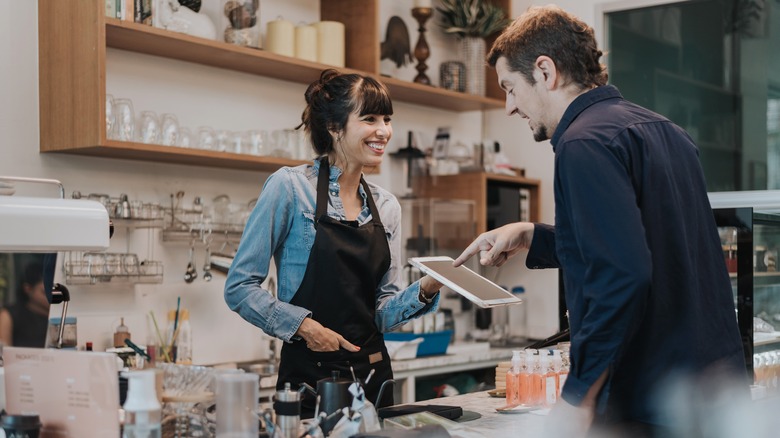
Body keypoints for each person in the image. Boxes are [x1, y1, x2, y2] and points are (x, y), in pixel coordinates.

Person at [453, 5, 747, 437]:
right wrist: (533, 235)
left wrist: (578, 393)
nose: (510, 107)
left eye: (511, 88)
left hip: (650, 399)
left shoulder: (582, 142)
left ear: (545, 71)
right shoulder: (667, 131)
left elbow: (622, 274)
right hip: (712, 392)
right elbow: (648, 245)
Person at [225, 69, 443, 415]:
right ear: (334, 128)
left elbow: (381, 315)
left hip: (374, 378)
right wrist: (305, 327)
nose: (384, 131)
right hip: (309, 381)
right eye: (369, 118)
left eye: (387, 119)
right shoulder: (290, 189)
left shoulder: (387, 207)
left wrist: (429, 287)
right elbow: (239, 287)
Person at [0, 261, 50, 348]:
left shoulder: (60, 315)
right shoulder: (9, 315)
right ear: (28, 289)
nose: (51, 297)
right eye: (44, 292)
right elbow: (3, 355)